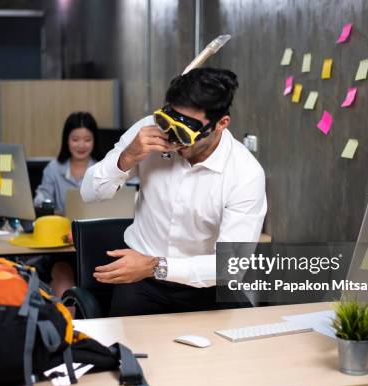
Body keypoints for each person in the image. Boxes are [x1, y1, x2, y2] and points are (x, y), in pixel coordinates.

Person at [80, 67, 267, 316]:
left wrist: (154, 266)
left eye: (185, 131)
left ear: (221, 123)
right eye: (169, 121)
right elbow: (90, 193)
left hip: (203, 285)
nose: (173, 139)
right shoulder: (149, 131)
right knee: (127, 352)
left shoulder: (244, 174)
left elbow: (228, 267)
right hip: (139, 282)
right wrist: (127, 157)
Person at [34, 111, 102, 297]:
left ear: (95, 141)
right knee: (64, 280)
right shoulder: (53, 169)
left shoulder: (104, 169)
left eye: (87, 140)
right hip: (62, 246)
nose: (81, 145)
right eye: (75, 139)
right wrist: (52, 211)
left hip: (95, 243)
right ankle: (67, 324)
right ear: (66, 140)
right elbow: (40, 200)